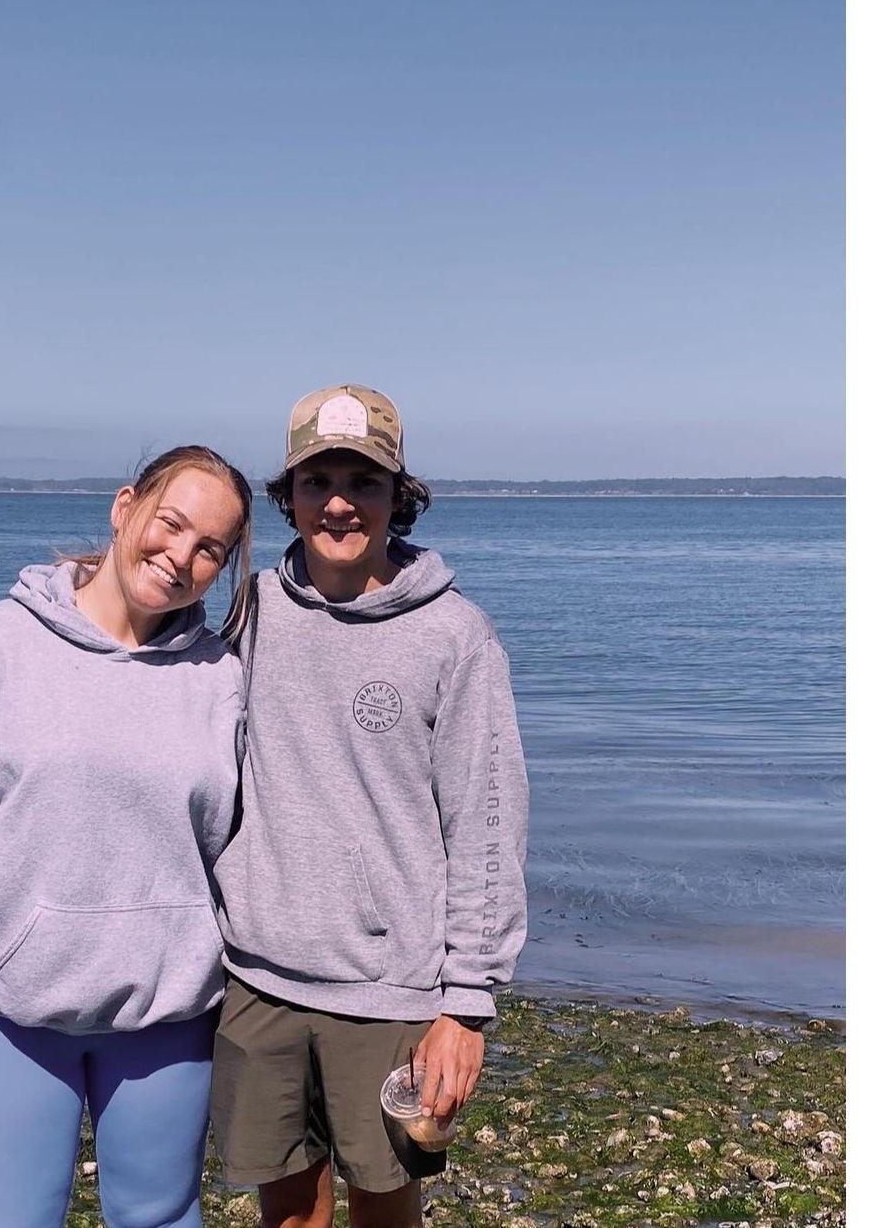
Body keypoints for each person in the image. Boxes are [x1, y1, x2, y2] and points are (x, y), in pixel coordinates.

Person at [0, 446, 253, 1228]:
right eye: (170, 523)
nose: (180, 555)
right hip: (11, 1013)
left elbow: (237, 849)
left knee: (161, 1216)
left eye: (209, 547)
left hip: (168, 1014)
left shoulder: (220, 677)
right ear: (124, 507)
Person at [211, 385, 529, 1228]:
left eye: (364, 481)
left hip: (391, 991)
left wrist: (465, 1005)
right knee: (287, 1210)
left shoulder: (455, 635)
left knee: (387, 1208)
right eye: (316, 481)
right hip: (255, 977)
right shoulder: (248, 610)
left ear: (399, 495)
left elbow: (487, 825)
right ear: (288, 496)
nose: (339, 503)